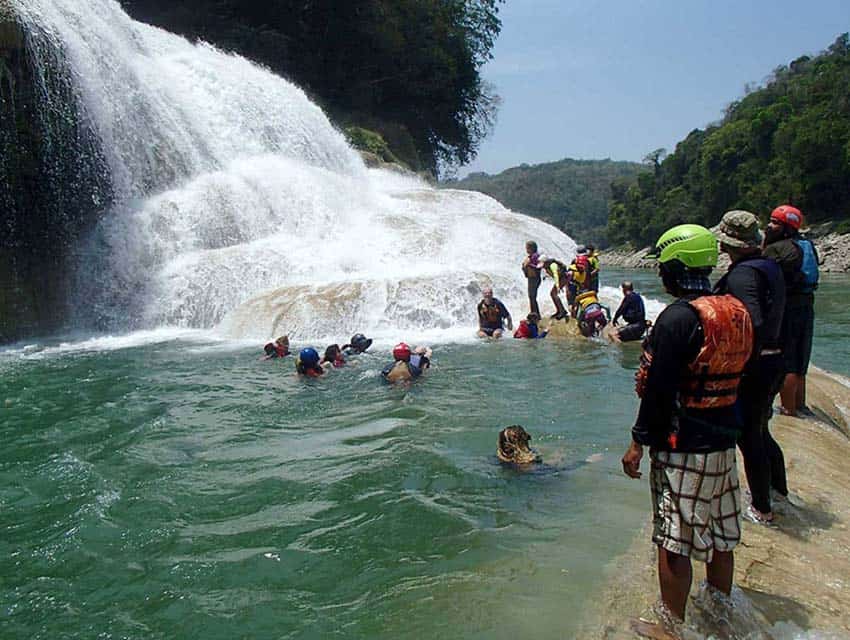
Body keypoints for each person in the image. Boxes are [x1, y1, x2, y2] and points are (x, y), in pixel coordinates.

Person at [621, 224, 753, 632]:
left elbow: (658, 391)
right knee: (719, 533)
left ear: (675, 268)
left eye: (664, 265)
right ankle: (720, 609)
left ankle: (670, 625)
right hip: (724, 440)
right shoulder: (735, 309)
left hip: (683, 445)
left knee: (673, 540)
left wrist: (637, 443)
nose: (660, 271)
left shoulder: (677, 319)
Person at [713, 210, 788, 524]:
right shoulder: (769, 266)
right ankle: (779, 491)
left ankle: (762, 508)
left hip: (755, 366)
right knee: (761, 429)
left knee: (748, 436)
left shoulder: (742, 275)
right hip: (776, 359)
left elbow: (751, 320)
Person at [763, 205, 819, 417]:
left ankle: (788, 409)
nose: (769, 225)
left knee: (787, 359)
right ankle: (800, 404)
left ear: (786, 228)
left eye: (775, 222)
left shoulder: (777, 249)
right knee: (801, 357)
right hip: (806, 304)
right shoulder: (807, 245)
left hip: (787, 306)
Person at [521, 240, 543, 316]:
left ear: (531, 248)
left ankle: (535, 314)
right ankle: (534, 313)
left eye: (527, 248)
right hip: (532, 278)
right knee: (531, 297)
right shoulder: (533, 256)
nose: (526, 250)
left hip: (534, 279)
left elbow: (538, 266)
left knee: (532, 297)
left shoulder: (535, 256)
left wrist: (528, 265)